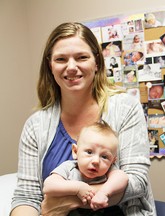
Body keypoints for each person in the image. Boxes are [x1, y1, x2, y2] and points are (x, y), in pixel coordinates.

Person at [10, 22, 156, 216]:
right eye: (61, 59)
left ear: (96, 62)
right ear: (50, 66)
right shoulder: (35, 126)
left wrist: (63, 202)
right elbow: (26, 197)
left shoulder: (125, 108)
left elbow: (136, 182)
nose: (71, 67)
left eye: (82, 57)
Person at [43, 121, 129, 215]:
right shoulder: (69, 167)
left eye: (104, 157)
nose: (96, 161)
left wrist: (104, 192)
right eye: (89, 152)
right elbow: (48, 186)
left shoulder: (109, 171)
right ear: (75, 151)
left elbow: (122, 177)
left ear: (113, 161)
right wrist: (77, 188)